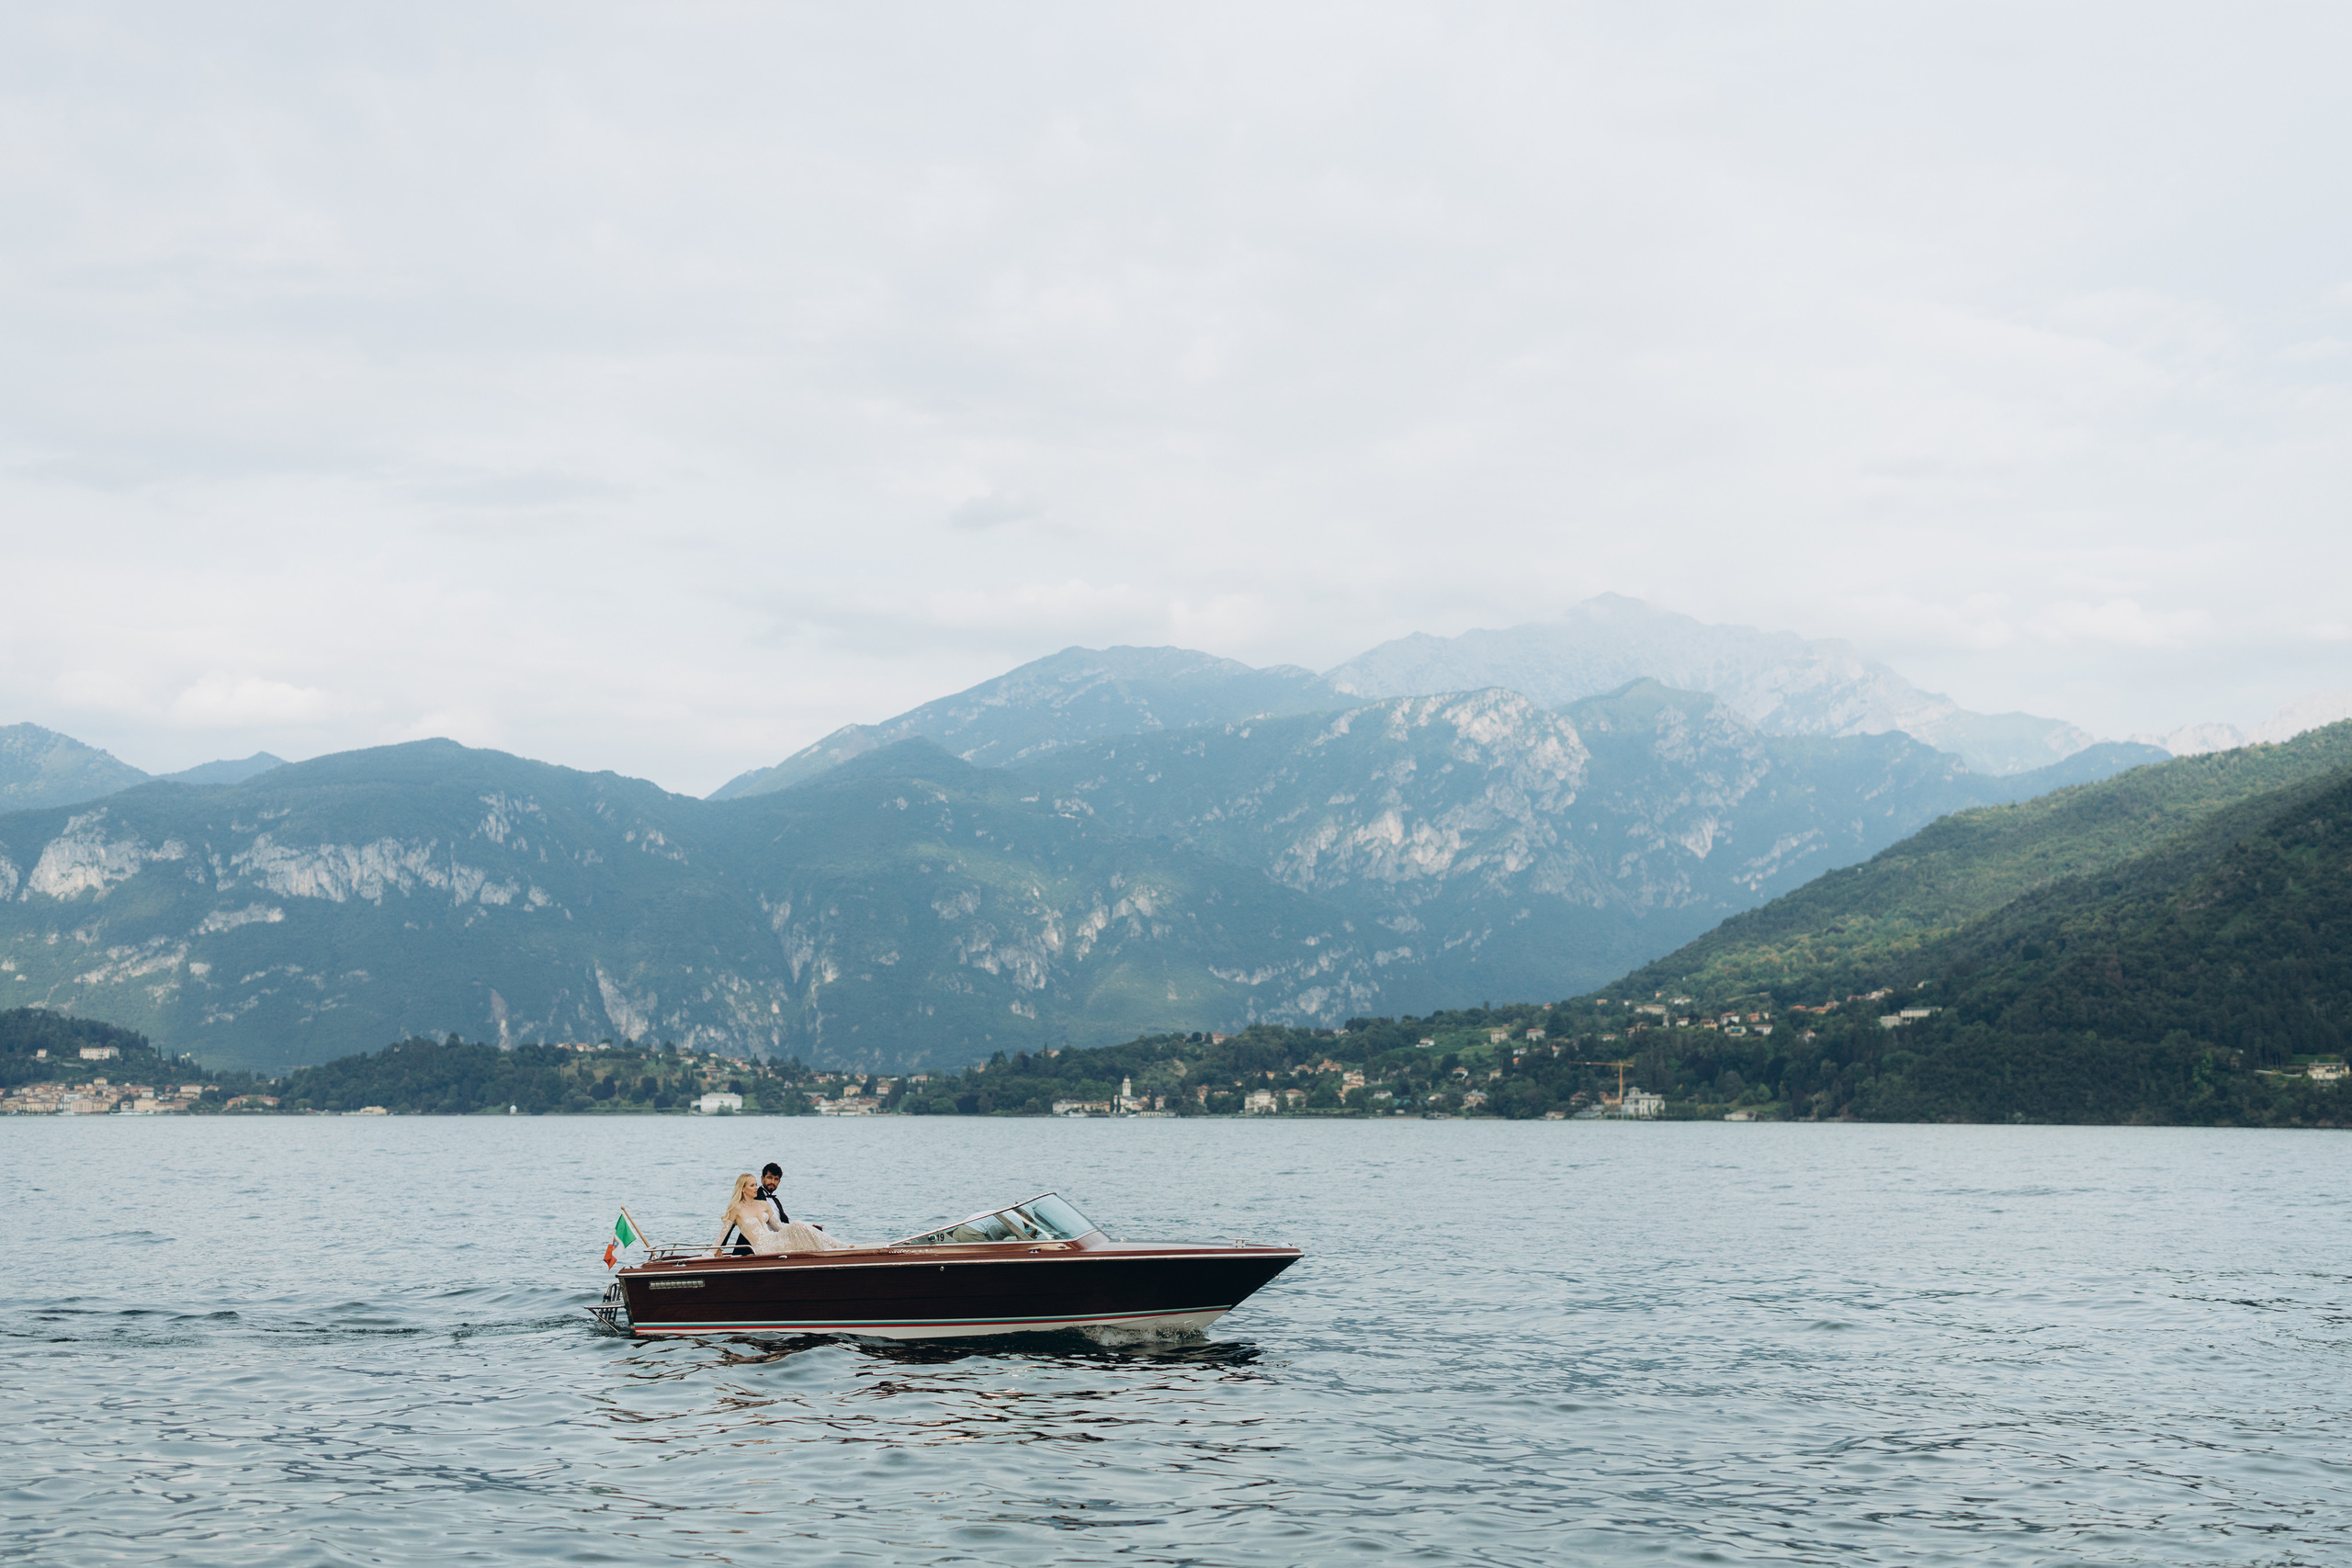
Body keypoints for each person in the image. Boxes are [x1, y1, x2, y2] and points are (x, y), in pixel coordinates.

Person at [712, 1171, 854, 1257]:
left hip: (774, 1239)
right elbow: (722, 1235)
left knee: (798, 1227)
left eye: (756, 1184)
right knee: (798, 1229)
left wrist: (808, 1226)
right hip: (763, 1248)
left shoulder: (763, 1204)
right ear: (742, 1189)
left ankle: (838, 1246)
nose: (756, 1188)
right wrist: (714, 1252)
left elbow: (780, 1227)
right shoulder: (736, 1209)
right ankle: (838, 1247)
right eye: (752, 1185)